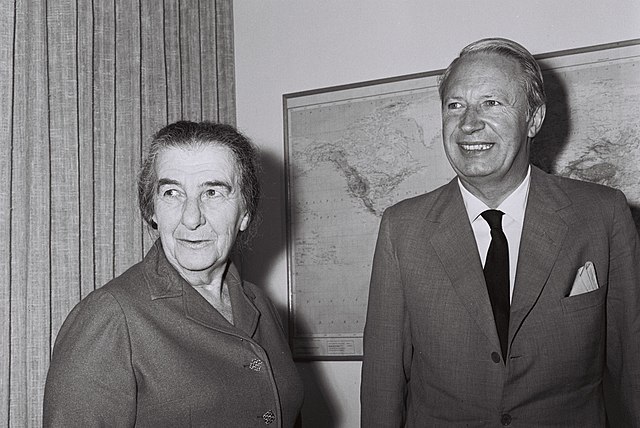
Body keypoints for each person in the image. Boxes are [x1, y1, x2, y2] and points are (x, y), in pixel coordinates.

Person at [360, 38, 640, 426]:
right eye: (455, 105)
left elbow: (632, 369)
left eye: (492, 102)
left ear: (534, 118)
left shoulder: (601, 214)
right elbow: (382, 386)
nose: (469, 123)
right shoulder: (402, 228)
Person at [44, 121, 303, 427]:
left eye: (212, 192)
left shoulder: (260, 304)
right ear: (152, 211)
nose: (191, 217)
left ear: (245, 212)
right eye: (172, 192)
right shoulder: (110, 316)